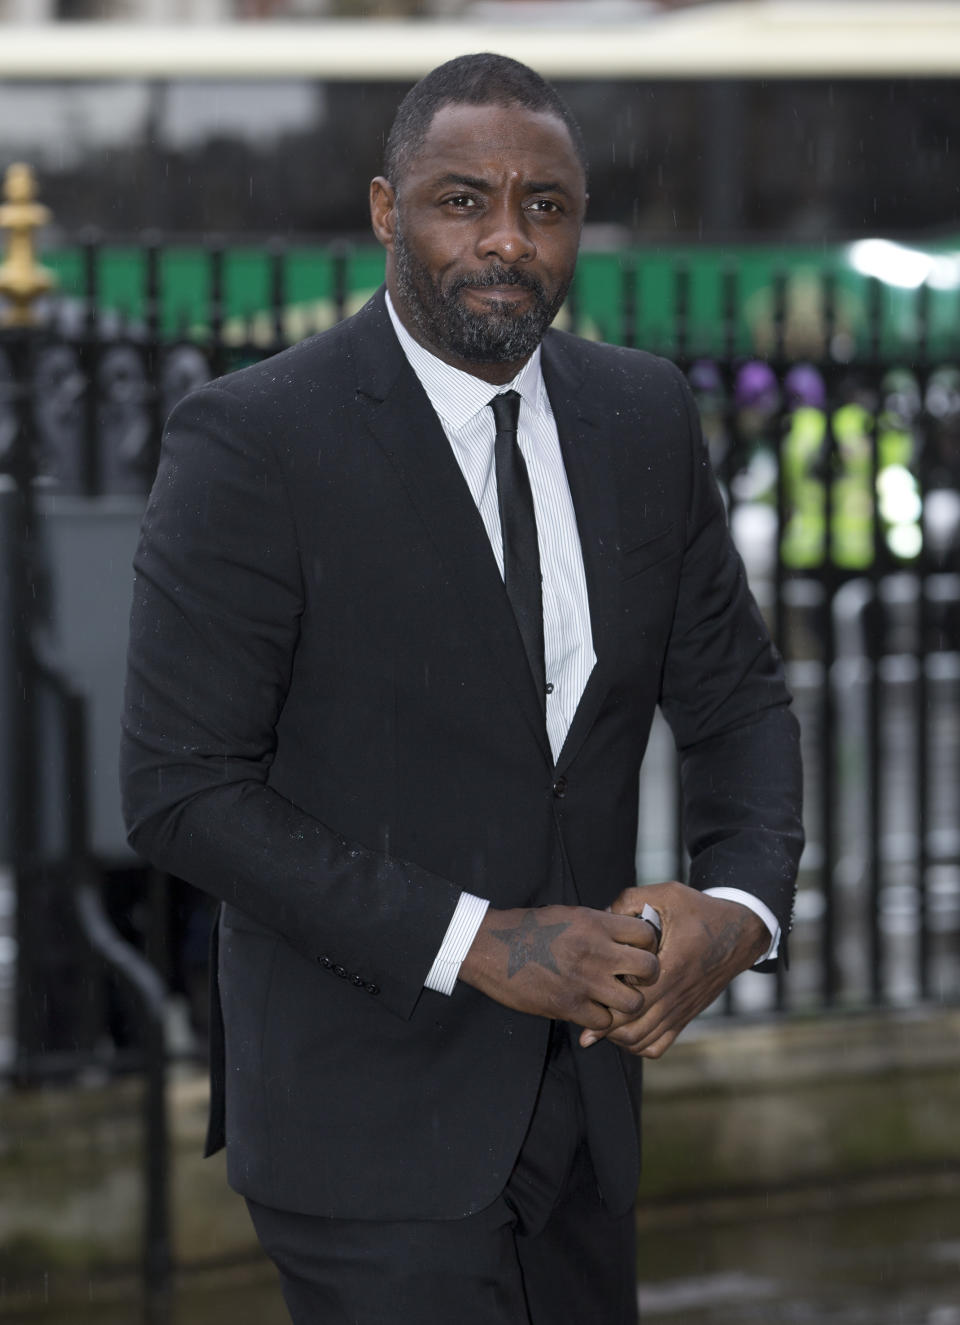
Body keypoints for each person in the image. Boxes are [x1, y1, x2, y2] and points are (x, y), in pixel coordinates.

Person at [120, 53, 803, 1325]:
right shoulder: (255, 438)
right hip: (364, 1120)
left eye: (544, 206)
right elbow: (182, 790)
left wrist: (738, 904)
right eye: (461, 200)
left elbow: (738, 702)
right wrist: (476, 940)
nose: (506, 238)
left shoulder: (644, 414)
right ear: (387, 209)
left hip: (586, 1114)